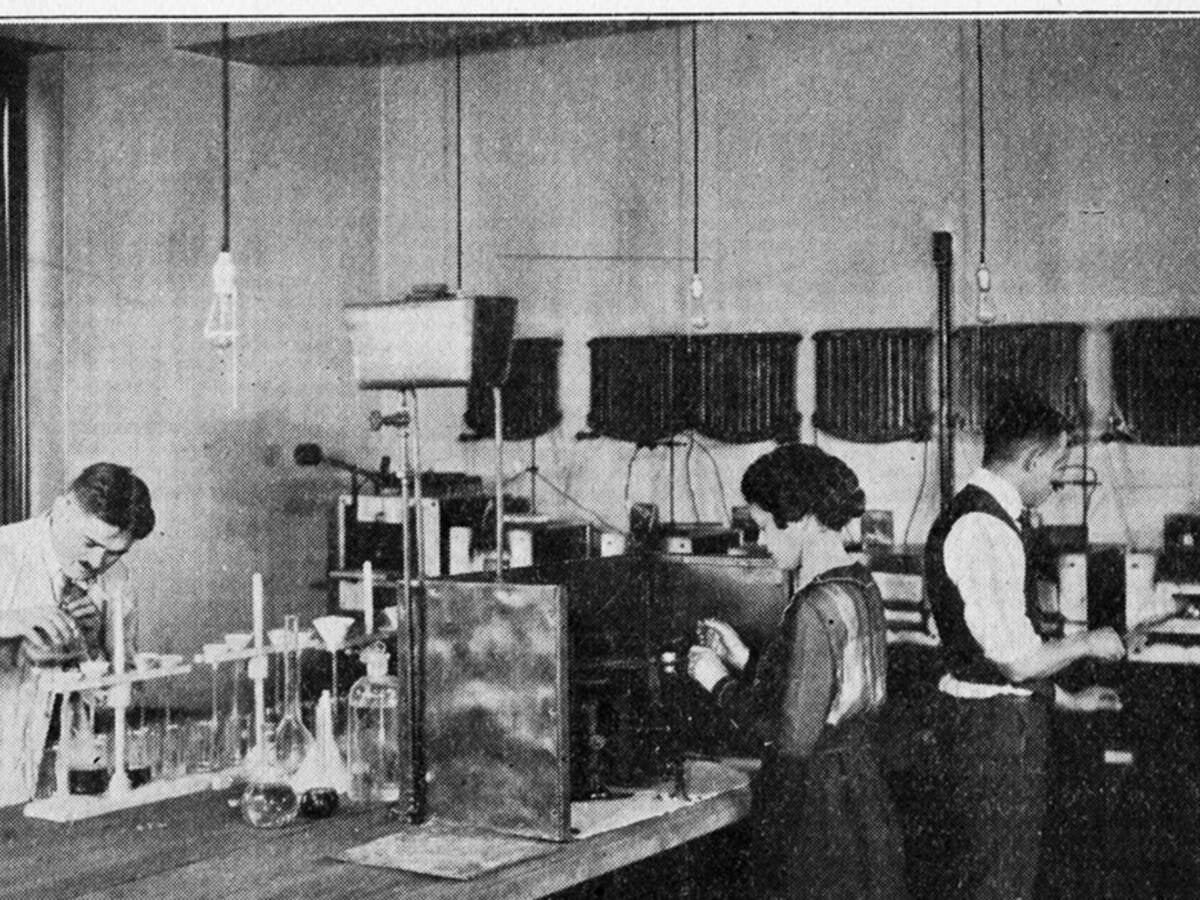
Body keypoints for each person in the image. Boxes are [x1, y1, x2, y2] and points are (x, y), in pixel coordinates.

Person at [925, 389, 1124, 900]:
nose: (1058, 479)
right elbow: (1015, 663)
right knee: (997, 882)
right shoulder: (983, 529)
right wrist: (1089, 642)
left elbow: (997, 658)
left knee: (1004, 873)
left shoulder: (987, 518)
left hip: (998, 726)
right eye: (1056, 464)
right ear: (1032, 460)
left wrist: (1070, 700)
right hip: (995, 737)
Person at [687, 443, 907, 899]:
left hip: (816, 812)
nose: (763, 542)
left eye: (766, 526)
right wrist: (745, 659)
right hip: (860, 793)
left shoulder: (811, 606)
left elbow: (789, 737)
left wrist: (718, 682)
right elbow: (825, 687)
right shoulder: (858, 585)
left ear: (802, 518)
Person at [0, 462, 155, 806]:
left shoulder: (117, 583)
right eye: (89, 542)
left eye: (115, 552)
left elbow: (122, 688)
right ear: (62, 508)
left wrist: (93, 647)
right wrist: (10, 620)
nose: (97, 562)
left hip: (72, 774)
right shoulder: (5, 553)